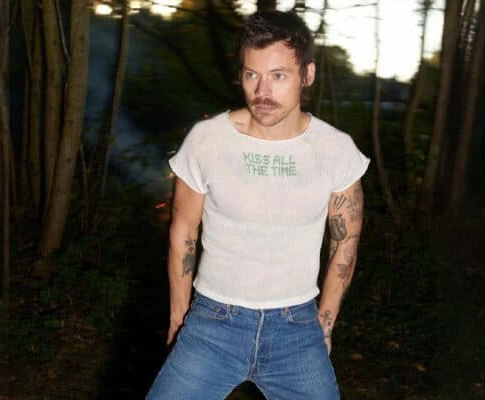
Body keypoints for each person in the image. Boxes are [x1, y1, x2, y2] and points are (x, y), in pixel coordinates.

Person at [147, 10, 369, 400]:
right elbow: (183, 231)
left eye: (278, 76)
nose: (262, 91)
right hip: (212, 323)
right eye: (252, 74)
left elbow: (345, 242)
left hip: (296, 329)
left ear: (307, 74)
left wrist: (325, 321)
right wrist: (179, 315)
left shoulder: (336, 150)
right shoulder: (207, 140)